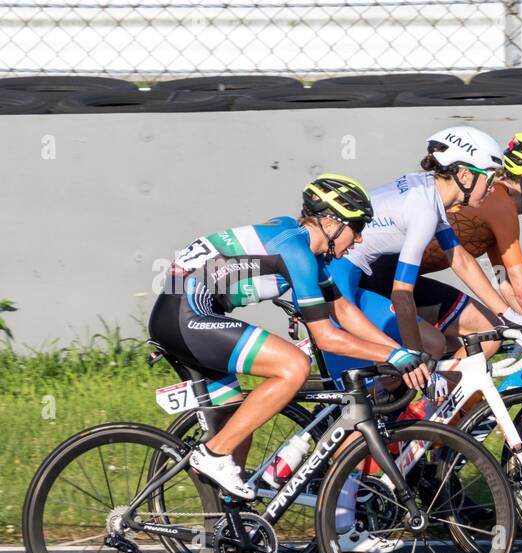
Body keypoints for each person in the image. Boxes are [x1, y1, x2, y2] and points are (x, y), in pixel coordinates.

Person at [148, 175, 431, 501]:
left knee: (237, 431)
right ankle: (212, 455)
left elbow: (343, 312)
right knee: (293, 366)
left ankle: (230, 532)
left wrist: (398, 351)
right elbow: (326, 337)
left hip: (183, 314)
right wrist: (392, 358)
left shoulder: (299, 244)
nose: (359, 240)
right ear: (329, 221)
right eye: (357, 227)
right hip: (186, 316)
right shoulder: (295, 252)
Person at [320, 126, 522, 382]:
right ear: (465, 175)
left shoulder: (427, 189)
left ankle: (390, 416)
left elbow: (461, 260)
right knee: (422, 351)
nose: (491, 188)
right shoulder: (424, 212)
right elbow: (401, 295)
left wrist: (508, 316)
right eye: (489, 179)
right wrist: (413, 357)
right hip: (333, 289)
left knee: (429, 345)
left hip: (343, 281)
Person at [354, 130, 522, 364]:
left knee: (466, 342)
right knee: (484, 337)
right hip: (380, 277)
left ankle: (428, 395)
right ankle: (429, 398)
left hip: (387, 275)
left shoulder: (490, 204)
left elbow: (505, 283)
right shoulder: (500, 205)